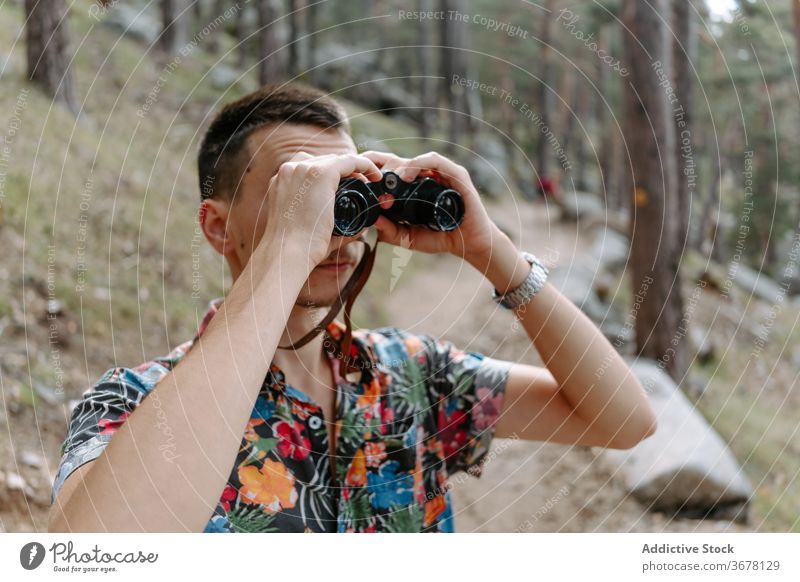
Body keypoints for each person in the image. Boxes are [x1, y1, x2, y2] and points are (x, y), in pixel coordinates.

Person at [48, 83, 656, 533]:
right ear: (217, 227)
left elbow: (624, 420)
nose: (336, 232)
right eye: (302, 194)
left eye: (346, 200)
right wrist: (288, 247)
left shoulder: (414, 376)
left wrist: (493, 251)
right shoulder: (132, 402)